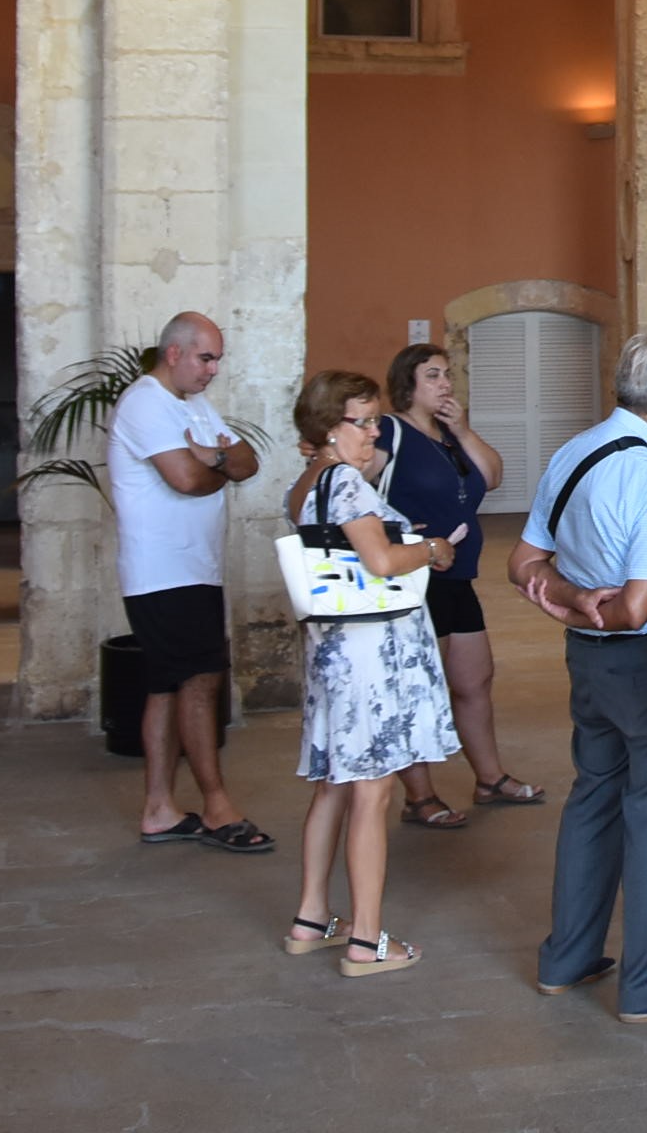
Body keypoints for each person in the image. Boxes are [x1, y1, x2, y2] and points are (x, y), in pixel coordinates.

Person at [510, 329, 647, 1023]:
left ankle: (567, 958)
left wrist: (572, 601)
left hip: (586, 659)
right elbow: (636, 608)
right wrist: (593, 605)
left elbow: (522, 564)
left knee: (594, 798)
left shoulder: (574, 452)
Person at [277, 370, 459, 977]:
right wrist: (431, 550)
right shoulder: (348, 486)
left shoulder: (307, 483)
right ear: (332, 428)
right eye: (364, 420)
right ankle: (366, 939)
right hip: (369, 658)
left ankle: (310, 917)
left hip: (332, 652)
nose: (375, 431)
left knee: (333, 781)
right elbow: (379, 560)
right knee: (372, 789)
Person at [111, 312, 273, 855]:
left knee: (165, 686)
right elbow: (185, 479)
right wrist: (215, 465)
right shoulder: (145, 403)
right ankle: (218, 805)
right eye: (206, 357)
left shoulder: (194, 406)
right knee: (201, 682)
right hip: (165, 574)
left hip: (192, 570)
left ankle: (159, 808)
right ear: (175, 353)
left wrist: (219, 458)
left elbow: (247, 461)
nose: (214, 369)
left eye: (217, 358)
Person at [364, 343, 544, 829]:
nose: (445, 383)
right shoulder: (389, 433)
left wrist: (462, 428)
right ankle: (418, 796)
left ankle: (489, 778)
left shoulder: (447, 435)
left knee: (473, 680)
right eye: (433, 375)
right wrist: (388, 532)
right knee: (414, 687)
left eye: (447, 374)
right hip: (413, 577)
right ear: (408, 384)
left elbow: (493, 475)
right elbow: (353, 485)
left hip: (456, 575)